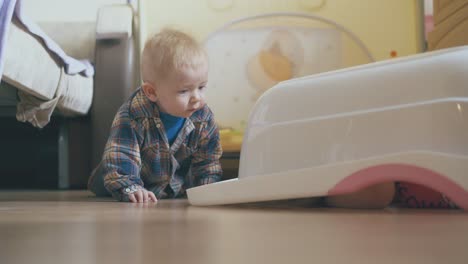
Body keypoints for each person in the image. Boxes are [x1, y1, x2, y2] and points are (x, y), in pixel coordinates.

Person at [88, 28, 222, 203]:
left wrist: (208, 190)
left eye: (201, 87)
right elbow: (122, 154)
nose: (197, 97)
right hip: (118, 180)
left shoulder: (203, 118)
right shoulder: (133, 115)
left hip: (169, 186)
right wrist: (129, 186)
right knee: (112, 169)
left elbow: (208, 162)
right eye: (184, 91)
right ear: (152, 92)